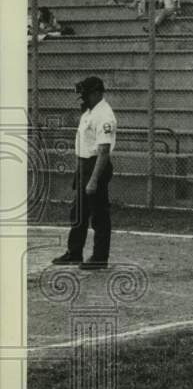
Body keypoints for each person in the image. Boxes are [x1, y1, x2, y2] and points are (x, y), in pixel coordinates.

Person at [51, 76, 117, 270]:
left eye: (86, 95)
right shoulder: (89, 112)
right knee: (78, 212)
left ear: (97, 93)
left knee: (99, 215)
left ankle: (99, 258)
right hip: (84, 166)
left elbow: (103, 151)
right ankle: (74, 253)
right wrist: (79, 172)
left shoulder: (104, 115)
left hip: (97, 166)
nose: (83, 99)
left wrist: (93, 180)